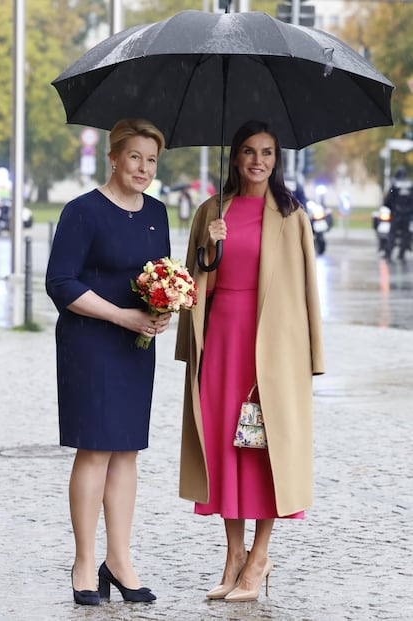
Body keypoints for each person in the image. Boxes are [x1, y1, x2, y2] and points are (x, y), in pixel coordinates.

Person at [175, 120, 325, 602]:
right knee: (225, 447)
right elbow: (193, 288)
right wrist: (208, 249)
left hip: (273, 349)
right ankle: (234, 556)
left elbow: (307, 292)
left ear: (276, 159)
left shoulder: (291, 214)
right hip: (222, 342)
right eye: (247, 152)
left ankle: (260, 558)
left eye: (266, 152)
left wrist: (312, 356)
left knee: (265, 449)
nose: (257, 161)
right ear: (235, 158)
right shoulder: (210, 211)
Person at [46, 118, 171, 606]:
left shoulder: (157, 212)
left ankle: (118, 560)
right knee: (95, 450)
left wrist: (163, 309)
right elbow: (61, 283)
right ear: (114, 157)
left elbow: (159, 275)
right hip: (91, 342)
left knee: (126, 452)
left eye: (152, 160)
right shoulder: (82, 211)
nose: (144, 168)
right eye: (135, 156)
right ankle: (83, 562)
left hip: (136, 346)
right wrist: (121, 315)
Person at [384, 166, 413, 261]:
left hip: (396, 214)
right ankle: (401, 254)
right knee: (406, 234)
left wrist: (389, 207)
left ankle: (389, 253)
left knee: (392, 234)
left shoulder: (394, 185)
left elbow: (389, 198)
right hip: (407, 215)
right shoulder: (410, 185)